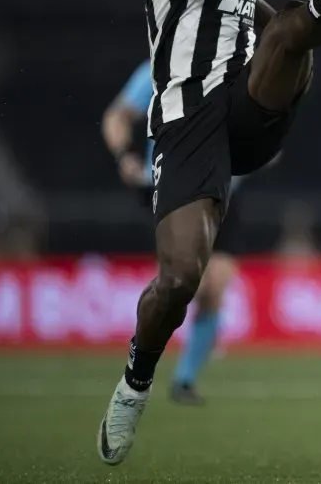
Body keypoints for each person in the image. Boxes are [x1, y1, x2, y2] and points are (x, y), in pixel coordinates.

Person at [97, 0, 321, 465]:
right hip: (187, 124)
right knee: (180, 280)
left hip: (243, 109)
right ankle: (135, 383)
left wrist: (311, 26)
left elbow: (266, 20)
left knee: (293, 27)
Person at [102, 59, 245, 405]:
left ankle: (184, 381)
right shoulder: (159, 68)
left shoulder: (237, 64)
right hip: (173, 187)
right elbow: (116, 116)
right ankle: (141, 360)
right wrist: (124, 156)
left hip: (225, 187)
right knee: (184, 283)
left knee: (216, 286)